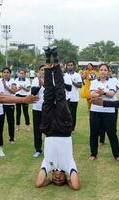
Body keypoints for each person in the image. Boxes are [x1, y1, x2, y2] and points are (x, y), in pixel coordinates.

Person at [35, 46, 80, 190]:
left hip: (48, 129)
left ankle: (49, 59)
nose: (58, 177)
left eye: (55, 180)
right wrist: (67, 180)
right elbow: (76, 186)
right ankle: (56, 58)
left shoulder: (47, 164)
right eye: (60, 179)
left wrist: (48, 180)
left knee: (48, 92)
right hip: (64, 128)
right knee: (60, 92)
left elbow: (38, 184)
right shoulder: (69, 165)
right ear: (66, 177)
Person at [89, 64, 119, 161]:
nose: (103, 71)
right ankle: (93, 154)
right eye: (101, 69)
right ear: (98, 71)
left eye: (105, 70)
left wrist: (102, 93)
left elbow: (112, 94)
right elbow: (92, 94)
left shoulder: (113, 81)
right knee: (94, 133)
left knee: (112, 133)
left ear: (108, 71)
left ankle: (117, 155)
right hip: (95, 110)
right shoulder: (94, 82)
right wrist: (104, 93)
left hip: (109, 111)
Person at [31, 65, 45, 157]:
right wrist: (40, 86)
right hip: (37, 108)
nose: (43, 71)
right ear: (39, 71)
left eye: (45, 70)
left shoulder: (52, 80)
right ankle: (38, 150)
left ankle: (49, 149)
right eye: (42, 70)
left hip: (49, 109)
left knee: (50, 130)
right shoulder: (35, 80)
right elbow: (33, 92)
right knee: (37, 130)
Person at [0, 67, 17, 144]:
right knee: (0, 123)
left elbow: (13, 91)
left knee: (10, 122)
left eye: (7, 72)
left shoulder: (13, 81)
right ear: (2, 73)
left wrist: (6, 86)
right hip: (1, 105)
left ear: (10, 74)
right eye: (4, 72)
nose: (6, 74)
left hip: (10, 104)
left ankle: (12, 139)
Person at [65, 61, 82, 132]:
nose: (70, 67)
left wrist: (72, 82)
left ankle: (72, 129)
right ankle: (66, 127)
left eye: (71, 65)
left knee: (73, 114)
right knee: (66, 113)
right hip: (66, 97)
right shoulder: (64, 75)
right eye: (68, 65)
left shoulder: (77, 75)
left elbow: (80, 85)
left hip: (74, 98)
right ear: (66, 66)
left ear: (74, 66)